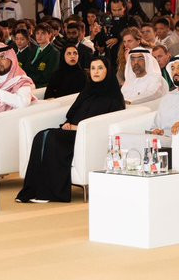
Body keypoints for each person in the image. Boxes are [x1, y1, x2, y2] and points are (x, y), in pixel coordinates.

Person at [16, 57, 125, 204]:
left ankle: (50, 193)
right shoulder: (87, 90)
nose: (96, 72)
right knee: (41, 136)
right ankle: (32, 190)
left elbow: (105, 123)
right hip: (71, 131)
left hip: (86, 136)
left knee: (52, 138)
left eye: (100, 68)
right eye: (93, 68)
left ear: (108, 71)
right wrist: (68, 123)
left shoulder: (113, 96)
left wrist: (77, 127)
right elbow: (73, 112)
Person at [22, 22, 59, 88]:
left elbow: (47, 76)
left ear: (50, 35)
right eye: (37, 33)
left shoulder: (54, 53)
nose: (39, 36)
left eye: (43, 33)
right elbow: (26, 68)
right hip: (29, 83)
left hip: (42, 86)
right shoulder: (33, 50)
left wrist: (29, 78)